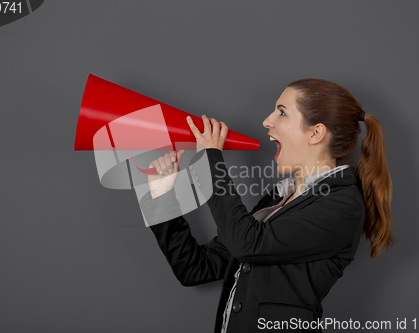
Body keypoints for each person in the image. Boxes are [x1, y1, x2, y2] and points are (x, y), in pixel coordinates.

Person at [139, 78, 393, 332]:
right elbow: (196, 268)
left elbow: (248, 243)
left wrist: (210, 163)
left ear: (316, 133)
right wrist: (162, 196)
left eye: (282, 112)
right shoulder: (277, 199)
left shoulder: (342, 204)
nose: (267, 121)